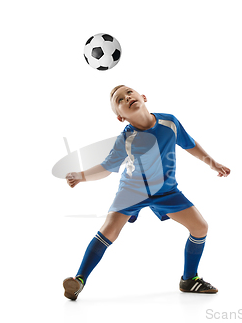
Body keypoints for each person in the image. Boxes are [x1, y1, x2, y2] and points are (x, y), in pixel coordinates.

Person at [63, 85, 230, 300]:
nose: (127, 97)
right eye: (120, 100)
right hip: (132, 191)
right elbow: (106, 168)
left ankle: (189, 279)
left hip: (166, 191)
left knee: (200, 227)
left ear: (143, 97)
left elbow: (189, 144)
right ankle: (79, 280)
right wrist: (82, 175)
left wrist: (213, 163)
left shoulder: (169, 122)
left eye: (129, 92)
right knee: (110, 230)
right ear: (120, 117)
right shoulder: (126, 139)